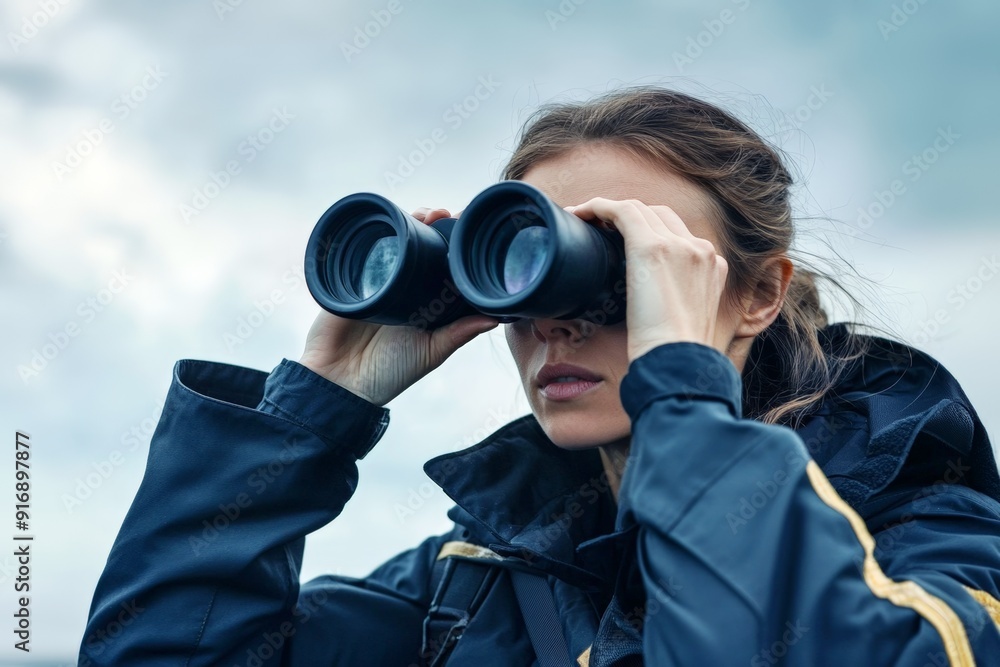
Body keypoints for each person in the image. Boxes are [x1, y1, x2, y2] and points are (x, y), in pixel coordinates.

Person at [80, 87, 1000, 666]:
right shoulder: (483, 571)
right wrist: (310, 411)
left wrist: (681, 383)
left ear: (755, 293)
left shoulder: (934, 539)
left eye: (613, 267)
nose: (553, 320)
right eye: (529, 264)